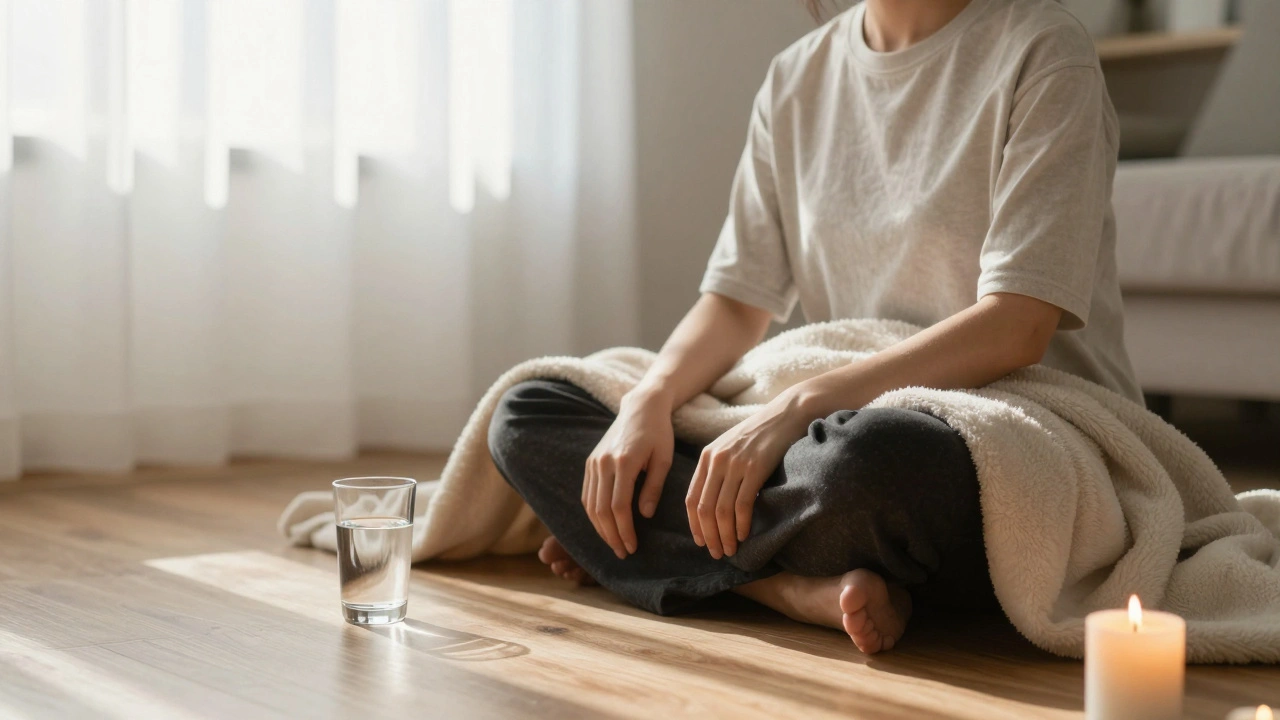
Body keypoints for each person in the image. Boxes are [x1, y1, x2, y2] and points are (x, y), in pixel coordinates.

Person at [488, 0, 1141, 654]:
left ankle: (654, 553)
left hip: (1013, 435)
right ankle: (785, 588)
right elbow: (736, 305)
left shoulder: (1045, 51)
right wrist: (648, 399)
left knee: (864, 466)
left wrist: (799, 407)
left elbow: (1015, 327)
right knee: (528, 414)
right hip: (844, 414)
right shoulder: (795, 77)